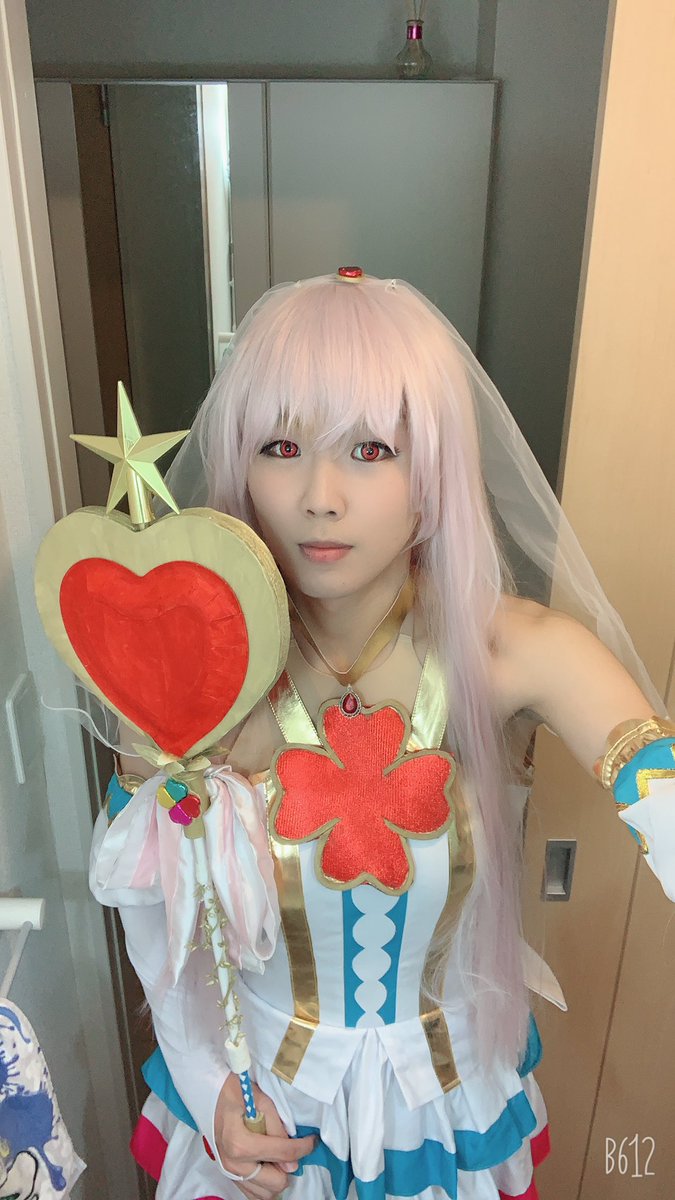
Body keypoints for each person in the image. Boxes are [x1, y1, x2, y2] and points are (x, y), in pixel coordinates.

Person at [90, 271, 673, 1200]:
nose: (319, 496)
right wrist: (209, 1093)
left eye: (370, 449)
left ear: (434, 469)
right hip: (260, 1117)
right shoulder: (180, 680)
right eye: (282, 447)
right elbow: (154, 917)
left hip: (445, 1109)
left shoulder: (517, 653)